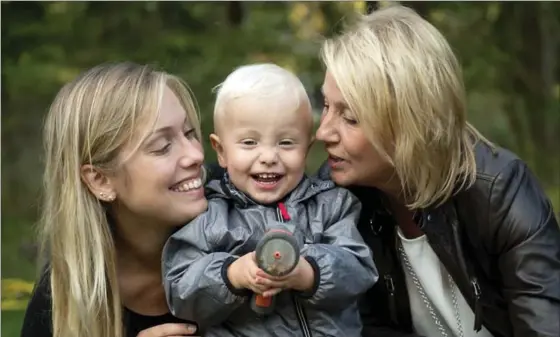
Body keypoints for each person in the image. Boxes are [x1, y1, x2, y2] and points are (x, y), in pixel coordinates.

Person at [314, 4, 560, 337]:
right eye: (326, 106)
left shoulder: (500, 191)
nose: (323, 132)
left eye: (350, 117)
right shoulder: (337, 200)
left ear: (408, 122)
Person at [162, 63, 378, 336]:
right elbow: (180, 291)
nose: (268, 157)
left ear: (306, 149)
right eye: (249, 143)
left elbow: (359, 268)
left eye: (286, 143)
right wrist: (232, 274)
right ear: (221, 151)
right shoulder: (209, 216)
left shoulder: (330, 205)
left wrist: (308, 272)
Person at [21, 62, 206, 337]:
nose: (196, 155)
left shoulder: (248, 221)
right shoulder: (62, 300)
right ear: (100, 180)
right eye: (163, 146)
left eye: (190, 133)